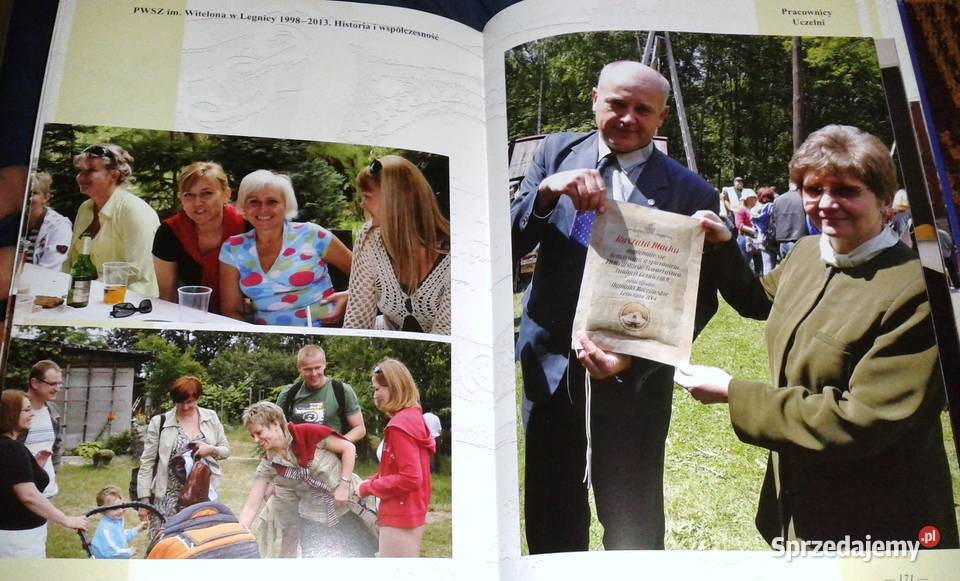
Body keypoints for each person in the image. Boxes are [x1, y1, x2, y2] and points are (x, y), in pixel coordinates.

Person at [675, 125, 959, 547]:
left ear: (885, 201)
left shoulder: (918, 291)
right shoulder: (809, 253)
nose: (826, 204)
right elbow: (759, 300)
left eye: (846, 190)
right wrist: (722, 245)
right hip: (800, 495)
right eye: (812, 189)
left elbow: (860, 421)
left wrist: (734, 393)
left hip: (879, 518)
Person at [511, 60, 720, 552]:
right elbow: (508, 241)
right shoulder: (553, 153)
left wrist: (633, 356)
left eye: (642, 110)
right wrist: (545, 194)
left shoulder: (692, 193)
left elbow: (700, 301)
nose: (628, 117)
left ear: (662, 118)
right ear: (594, 100)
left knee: (632, 511)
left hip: (633, 378)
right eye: (617, 104)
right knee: (551, 505)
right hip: (550, 364)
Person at [238, 401, 374, 558]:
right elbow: (251, 505)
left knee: (360, 559)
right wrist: (239, 533)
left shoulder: (307, 433)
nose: (256, 439)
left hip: (347, 506)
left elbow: (348, 448)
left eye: (259, 433)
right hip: (312, 516)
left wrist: (344, 486)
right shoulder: (269, 463)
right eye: (252, 435)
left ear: (275, 423)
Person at [219, 170, 353, 326]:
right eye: (254, 202)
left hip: (324, 328)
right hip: (267, 339)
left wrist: (350, 295)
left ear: (286, 205)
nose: (263, 209)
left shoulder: (312, 234)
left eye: (272, 202)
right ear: (244, 207)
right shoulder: (233, 248)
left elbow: (368, 275)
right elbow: (231, 310)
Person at [344, 156, 451, 334]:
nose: (362, 204)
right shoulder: (369, 238)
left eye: (367, 197)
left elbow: (444, 336)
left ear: (394, 201)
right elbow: (356, 323)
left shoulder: (455, 258)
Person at [358, 359, 435, 557]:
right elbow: (394, 469)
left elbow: (410, 477)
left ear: (395, 387)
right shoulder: (414, 417)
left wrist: (368, 488)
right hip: (412, 509)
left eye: (378, 389)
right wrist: (371, 480)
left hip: (399, 514)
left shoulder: (399, 426)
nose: (375, 395)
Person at [137, 376, 230, 536]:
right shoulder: (160, 422)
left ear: (198, 398)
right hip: (168, 497)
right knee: (165, 546)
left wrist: (211, 450)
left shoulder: (211, 417)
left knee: (198, 546)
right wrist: (144, 501)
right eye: (180, 402)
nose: (185, 407)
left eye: (190, 402)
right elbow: (147, 462)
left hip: (202, 497)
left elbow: (226, 450)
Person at [0, 390, 87, 558]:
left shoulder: (9, 446)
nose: (32, 413)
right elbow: (29, 496)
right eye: (26, 410)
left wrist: (34, 465)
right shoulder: (12, 448)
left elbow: (10, 481)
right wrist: (65, 519)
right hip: (18, 542)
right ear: (10, 414)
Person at [152, 161, 248, 314]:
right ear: (181, 200)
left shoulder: (247, 228)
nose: (198, 203)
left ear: (226, 194)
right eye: (189, 195)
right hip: (189, 314)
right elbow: (167, 296)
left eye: (206, 193)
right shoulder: (169, 233)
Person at [66, 143, 160, 296]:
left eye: (91, 170)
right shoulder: (85, 208)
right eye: (80, 170)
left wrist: (87, 289)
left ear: (114, 175)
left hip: (133, 302)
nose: (81, 177)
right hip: (92, 297)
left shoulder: (134, 210)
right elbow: (73, 261)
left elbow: (135, 269)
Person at [276, 344, 366, 442]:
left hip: (332, 454)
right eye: (307, 369)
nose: (314, 374)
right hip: (298, 453)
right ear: (299, 369)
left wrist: (339, 444)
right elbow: (275, 428)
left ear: (325, 365)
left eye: (317, 368)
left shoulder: (341, 390)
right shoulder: (288, 394)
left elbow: (359, 428)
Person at [18, 360, 63, 502]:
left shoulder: (53, 411)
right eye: (52, 384)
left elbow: (56, 446)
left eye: (59, 383)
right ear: (35, 383)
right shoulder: (14, 411)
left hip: (47, 492)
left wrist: (51, 472)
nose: (57, 388)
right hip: (21, 492)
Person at [24, 172, 72, 270]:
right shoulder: (11, 221)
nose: (26, 198)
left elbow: (48, 270)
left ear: (45, 197)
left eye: (33, 193)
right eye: (23, 193)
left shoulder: (59, 226)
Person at [90, 485, 146, 559]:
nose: (120, 510)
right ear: (103, 511)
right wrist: (129, 552)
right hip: (105, 565)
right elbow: (111, 551)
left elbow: (120, 537)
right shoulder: (105, 529)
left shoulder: (115, 521)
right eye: (115, 508)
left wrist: (137, 529)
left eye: (121, 506)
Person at [769, 181, 807, 260]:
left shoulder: (777, 200)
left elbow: (773, 222)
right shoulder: (804, 199)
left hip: (782, 241)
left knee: (786, 269)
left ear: (789, 185)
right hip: (800, 241)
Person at [734, 190, 761, 273]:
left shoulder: (753, 210)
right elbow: (739, 225)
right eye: (754, 198)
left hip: (755, 240)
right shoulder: (741, 210)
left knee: (758, 264)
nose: (755, 200)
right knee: (744, 264)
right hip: (744, 239)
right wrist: (754, 232)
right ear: (748, 199)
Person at [751, 187, 777, 274]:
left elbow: (754, 228)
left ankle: (766, 286)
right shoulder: (772, 207)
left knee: (766, 266)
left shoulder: (754, 210)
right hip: (773, 238)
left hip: (761, 240)